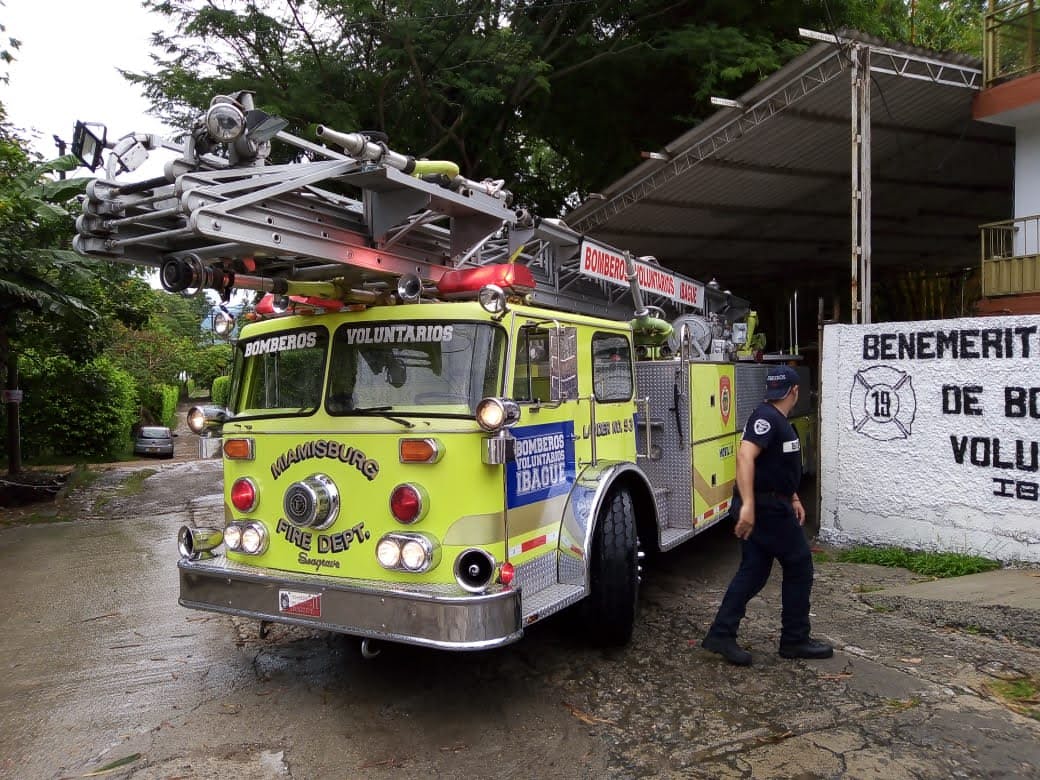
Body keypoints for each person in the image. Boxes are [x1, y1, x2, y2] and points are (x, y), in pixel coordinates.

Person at [701, 364, 833, 666]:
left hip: (775, 503)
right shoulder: (766, 418)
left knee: (755, 571)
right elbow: (745, 456)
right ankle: (795, 640)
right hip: (767, 509)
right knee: (799, 565)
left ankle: (721, 633)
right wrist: (747, 505)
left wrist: (794, 496)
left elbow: (776, 465)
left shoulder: (775, 419)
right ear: (795, 392)